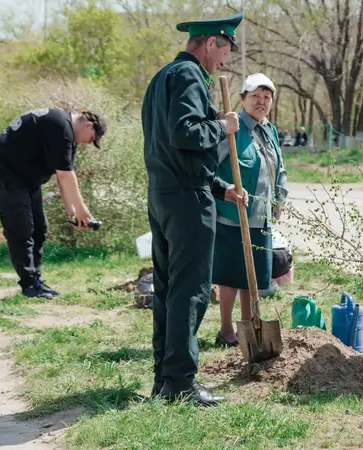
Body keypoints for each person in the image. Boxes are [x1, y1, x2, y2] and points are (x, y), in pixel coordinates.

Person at [141, 12, 247, 407]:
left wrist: (220, 188)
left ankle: (165, 379)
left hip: (165, 195)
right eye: (223, 50)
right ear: (209, 43)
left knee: (170, 289)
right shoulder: (188, 76)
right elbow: (187, 134)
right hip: (186, 202)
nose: (222, 60)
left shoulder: (161, 78)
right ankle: (181, 383)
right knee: (192, 291)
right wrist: (224, 126)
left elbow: (172, 147)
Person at [0, 108, 105, 298]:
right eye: (90, 138)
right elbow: (64, 175)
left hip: (25, 179)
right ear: (88, 125)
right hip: (3, 173)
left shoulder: (66, 133)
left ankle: (35, 281)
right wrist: (82, 210)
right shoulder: (61, 126)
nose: (86, 143)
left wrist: (72, 212)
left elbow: (64, 177)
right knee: (21, 228)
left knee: (39, 227)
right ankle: (30, 285)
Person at [212, 73, 288, 347]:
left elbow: (279, 169)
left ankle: (247, 324)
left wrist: (279, 200)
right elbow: (211, 166)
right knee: (230, 274)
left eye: (266, 97)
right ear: (243, 99)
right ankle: (225, 329)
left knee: (252, 274)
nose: (261, 102)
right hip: (232, 214)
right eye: (255, 96)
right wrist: (226, 188)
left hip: (261, 216)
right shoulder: (231, 129)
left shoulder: (270, 130)